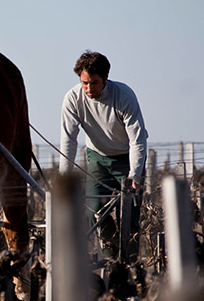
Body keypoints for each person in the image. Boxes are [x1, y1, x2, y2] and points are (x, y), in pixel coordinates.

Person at [59, 50, 148, 261]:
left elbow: (137, 140)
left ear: (106, 79)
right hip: (98, 158)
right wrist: (64, 180)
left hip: (127, 158)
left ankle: (130, 265)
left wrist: (135, 175)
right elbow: (69, 139)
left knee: (130, 216)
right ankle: (110, 262)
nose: (89, 88)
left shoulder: (124, 96)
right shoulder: (73, 99)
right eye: (84, 83)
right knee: (95, 211)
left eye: (95, 83)